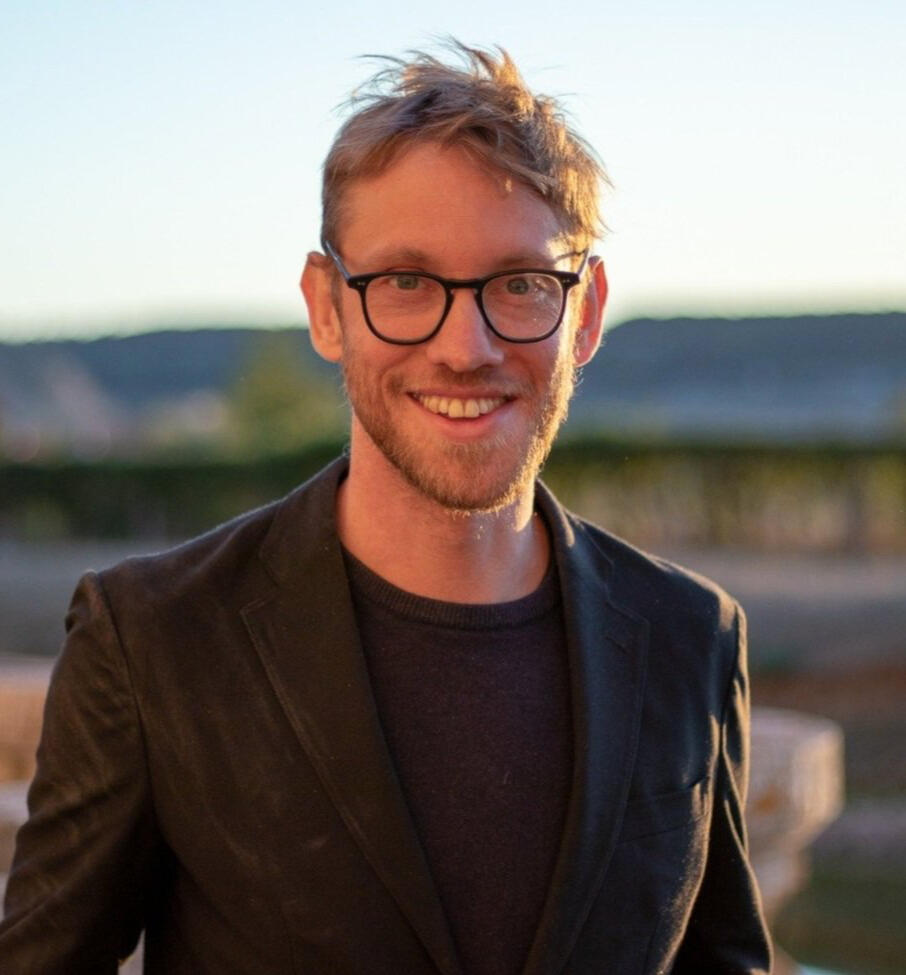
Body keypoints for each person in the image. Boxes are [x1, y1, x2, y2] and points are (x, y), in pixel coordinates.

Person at [0, 42, 771, 974]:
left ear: (588, 311)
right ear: (326, 306)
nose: (466, 347)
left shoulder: (691, 637)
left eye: (521, 283)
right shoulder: (151, 641)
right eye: (405, 282)